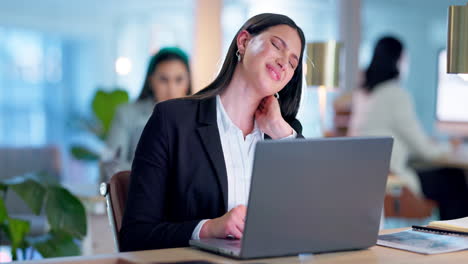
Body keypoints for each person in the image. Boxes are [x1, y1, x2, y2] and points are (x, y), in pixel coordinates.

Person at [119, 13, 306, 251]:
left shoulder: (286, 134)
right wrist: (209, 229)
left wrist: (280, 131)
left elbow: (314, 217)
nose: (283, 62)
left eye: (292, 63)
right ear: (244, 41)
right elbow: (135, 236)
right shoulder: (172, 121)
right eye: (277, 46)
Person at [348, 36, 468, 220]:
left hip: (365, 177)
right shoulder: (395, 95)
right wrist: (450, 147)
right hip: (392, 180)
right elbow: (425, 150)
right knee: (454, 178)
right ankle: (457, 242)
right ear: (398, 61)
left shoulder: (363, 94)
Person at [105, 47, 192, 171]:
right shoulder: (126, 114)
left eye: (179, 80)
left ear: (188, 81)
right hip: (136, 188)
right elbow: (110, 163)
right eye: (163, 79)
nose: (171, 89)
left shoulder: (201, 118)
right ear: (151, 80)